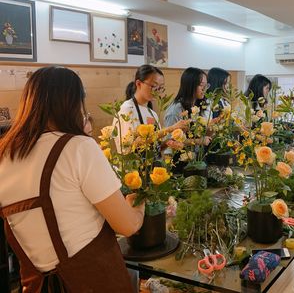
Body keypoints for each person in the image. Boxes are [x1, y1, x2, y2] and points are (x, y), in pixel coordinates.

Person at [0, 66, 145, 292]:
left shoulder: (5, 154)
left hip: (36, 285)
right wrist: (138, 203)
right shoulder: (78, 147)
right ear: (73, 103)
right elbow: (127, 226)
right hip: (92, 282)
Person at [115, 65, 187, 151]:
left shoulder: (152, 113)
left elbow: (156, 147)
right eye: (154, 86)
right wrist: (171, 128)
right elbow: (131, 145)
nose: (158, 91)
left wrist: (169, 142)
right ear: (138, 84)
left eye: (161, 87)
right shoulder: (127, 109)